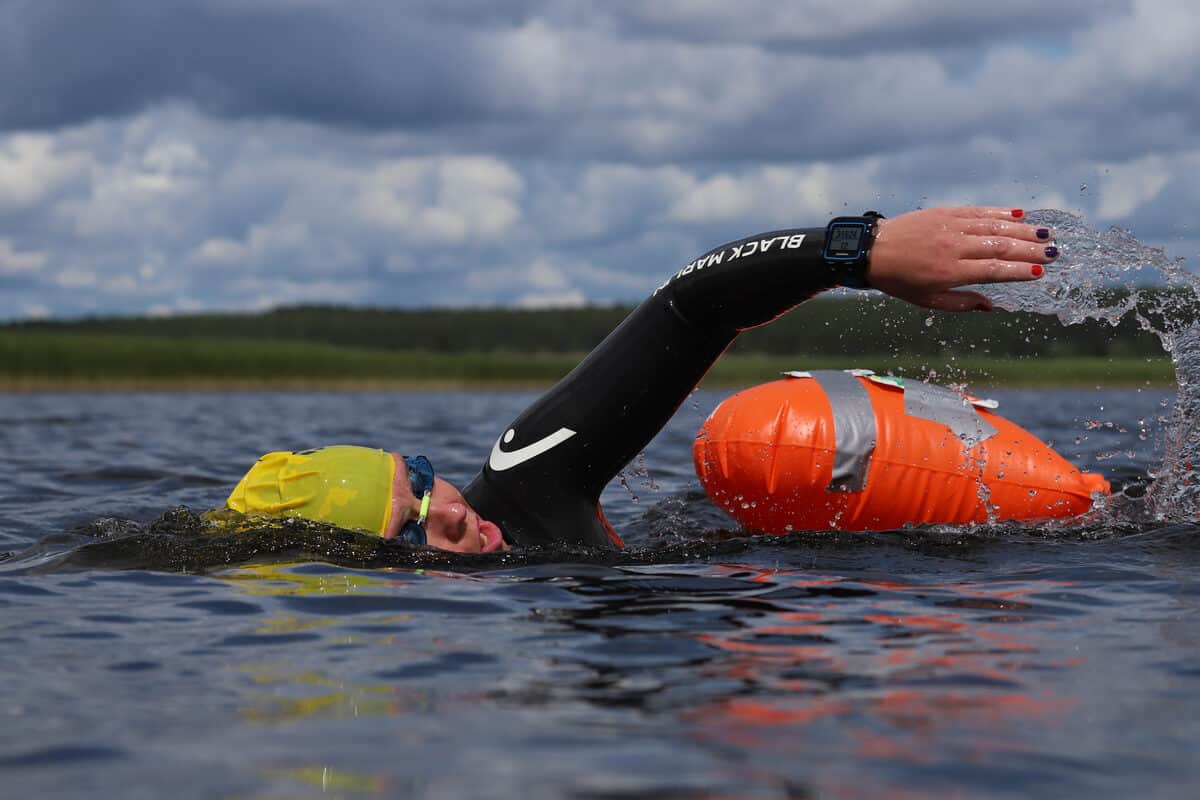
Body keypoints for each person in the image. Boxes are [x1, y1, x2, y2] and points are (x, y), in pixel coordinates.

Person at [226, 206, 1059, 552]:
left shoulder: (524, 483)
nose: (452, 509)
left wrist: (860, 250)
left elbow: (690, 304)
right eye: (417, 528)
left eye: (419, 478)